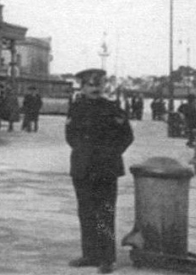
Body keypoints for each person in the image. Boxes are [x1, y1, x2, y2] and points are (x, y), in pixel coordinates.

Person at [66, 68, 133, 274]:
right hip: (83, 168)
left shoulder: (113, 108)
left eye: (99, 84)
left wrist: (110, 153)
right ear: (83, 87)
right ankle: (90, 255)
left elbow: (127, 136)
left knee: (105, 213)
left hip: (106, 168)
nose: (95, 89)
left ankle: (107, 259)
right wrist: (85, 152)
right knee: (86, 212)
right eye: (90, 85)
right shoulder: (76, 108)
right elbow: (70, 136)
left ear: (104, 86)